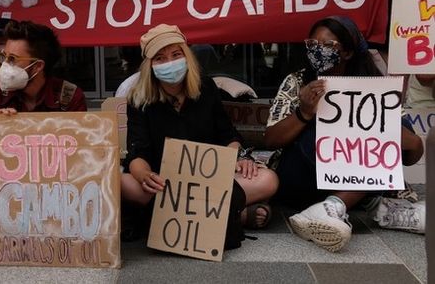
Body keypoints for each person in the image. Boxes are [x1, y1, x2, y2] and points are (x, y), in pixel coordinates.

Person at [264, 16, 424, 253]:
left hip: (353, 177)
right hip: (303, 179)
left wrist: (396, 135)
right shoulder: (297, 81)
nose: (317, 50)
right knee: (320, 130)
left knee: (376, 136)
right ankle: (375, 204)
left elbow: (411, 153)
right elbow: (271, 140)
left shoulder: (375, 88)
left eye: (327, 46)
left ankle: (334, 206)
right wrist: (304, 114)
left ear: (347, 53)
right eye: (312, 44)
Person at [121, 24, 279, 237]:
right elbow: (137, 152)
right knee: (121, 182)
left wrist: (238, 158)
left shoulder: (207, 89)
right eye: (160, 58)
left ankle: (170, 217)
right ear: (150, 66)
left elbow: (227, 135)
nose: (169, 63)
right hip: (163, 184)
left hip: (207, 182)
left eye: (176, 54)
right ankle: (234, 216)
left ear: (187, 56)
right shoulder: (138, 100)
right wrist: (145, 175)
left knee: (268, 180)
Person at [0, 20, 86, 113]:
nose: (4, 64)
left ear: (37, 66)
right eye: (3, 57)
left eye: (12, 59)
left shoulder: (69, 97)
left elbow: (83, 142)